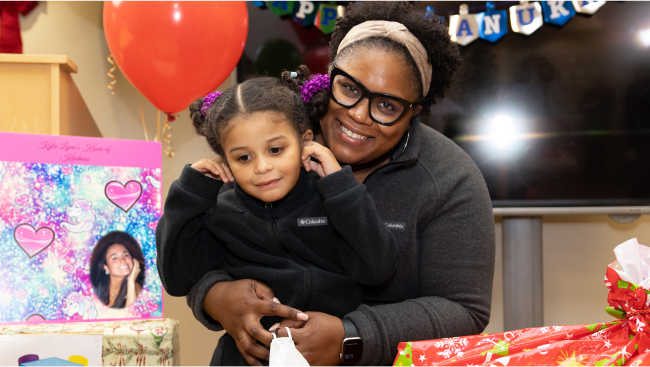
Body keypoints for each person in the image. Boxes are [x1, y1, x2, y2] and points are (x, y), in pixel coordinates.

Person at [183, 2, 495, 366]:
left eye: (388, 106)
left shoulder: (451, 179)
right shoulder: (272, 140)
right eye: (349, 88)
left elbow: (464, 309)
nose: (359, 115)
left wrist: (351, 336)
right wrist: (214, 297)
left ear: (415, 112)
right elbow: (200, 251)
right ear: (328, 76)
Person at [156, 66, 399, 336]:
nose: (262, 167)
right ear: (226, 161)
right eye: (243, 158)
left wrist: (340, 186)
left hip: (331, 354)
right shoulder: (220, 212)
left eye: (275, 150)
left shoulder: (332, 199)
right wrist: (189, 193)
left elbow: (377, 269)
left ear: (305, 142)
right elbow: (178, 280)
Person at [90, 231, 145, 308]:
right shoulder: (94, 286)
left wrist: (131, 281)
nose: (123, 260)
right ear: (106, 267)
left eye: (126, 255)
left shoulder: (135, 287)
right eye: (115, 258)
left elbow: (131, 316)